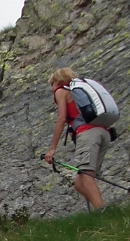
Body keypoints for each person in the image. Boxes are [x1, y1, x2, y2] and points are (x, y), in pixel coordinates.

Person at [43, 67, 110, 211]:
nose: (52, 89)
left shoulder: (61, 91)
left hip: (87, 133)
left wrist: (53, 148)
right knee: (80, 183)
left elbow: (61, 119)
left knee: (86, 174)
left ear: (56, 81)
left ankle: (102, 212)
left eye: (52, 84)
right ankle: (100, 210)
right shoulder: (79, 91)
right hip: (103, 132)